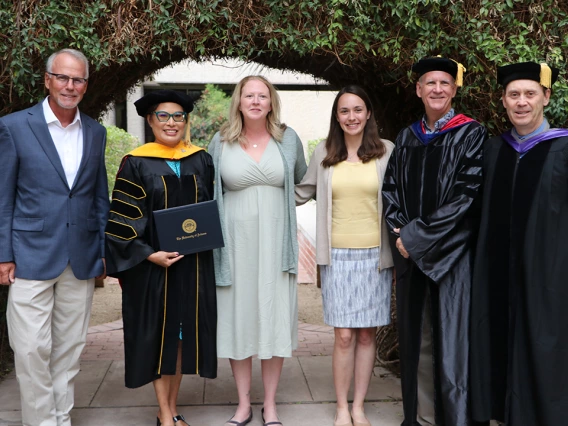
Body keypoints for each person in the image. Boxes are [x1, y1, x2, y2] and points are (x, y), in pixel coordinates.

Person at [0, 48, 109, 426]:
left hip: (80, 256)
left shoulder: (96, 132)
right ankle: (42, 421)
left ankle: (61, 418)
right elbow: (3, 196)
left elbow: (98, 197)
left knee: (69, 349)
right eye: (62, 77)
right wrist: (3, 254)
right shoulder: (14, 126)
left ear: (85, 85)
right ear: (47, 79)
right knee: (30, 349)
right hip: (29, 254)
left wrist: (103, 252)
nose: (70, 86)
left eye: (77, 79)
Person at [382, 57, 487, 426]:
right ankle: (422, 418)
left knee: (453, 341)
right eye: (430, 83)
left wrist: (415, 238)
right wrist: (401, 236)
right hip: (410, 256)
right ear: (418, 90)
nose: (437, 89)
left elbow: (466, 197)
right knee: (419, 340)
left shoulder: (472, 134)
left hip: (452, 255)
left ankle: (455, 419)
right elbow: (390, 193)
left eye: (444, 83)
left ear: (454, 89)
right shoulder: (408, 138)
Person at [105, 89, 217, 426]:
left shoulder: (201, 159)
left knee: (181, 339)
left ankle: (169, 408)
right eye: (163, 116)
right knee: (158, 336)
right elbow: (121, 220)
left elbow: (209, 210)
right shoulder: (136, 162)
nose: (171, 123)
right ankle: (166, 415)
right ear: (150, 120)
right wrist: (149, 254)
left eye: (178, 116)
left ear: (185, 121)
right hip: (153, 268)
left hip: (192, 265)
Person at [470, 62, 568, 426]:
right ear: (503, 101)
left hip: (548, 275)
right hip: (497, 273)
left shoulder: (562, 148)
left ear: (546, 96)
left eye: (530, 94)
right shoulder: (495, 149)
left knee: (543, 342)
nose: (521, 102)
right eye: (514, 95)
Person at [208, 75, 307, 426]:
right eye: (248, 95)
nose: (255, 101)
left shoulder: (288, 138)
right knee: (239, 318)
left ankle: (271, 405)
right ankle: (243, 403)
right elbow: (207, 189)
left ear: (271, 101)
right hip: (234, 246)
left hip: (275, 243)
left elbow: (302, 180)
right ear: (238, 100)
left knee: (274, 318)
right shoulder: (220, 141)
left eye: (262, 96)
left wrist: (279, 210)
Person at [295, 85, 394, 426]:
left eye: (357, 110)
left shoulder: (387, 152)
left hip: (375, 256)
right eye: (344, 111)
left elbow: (399, 200)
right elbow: (302, 191)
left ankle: (359, 407)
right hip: (336, 256)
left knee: (367, 334)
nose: (351, 116)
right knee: (344, 335)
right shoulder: (324, 152)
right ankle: (341, 406)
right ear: (336, 117)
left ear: (368, 114)